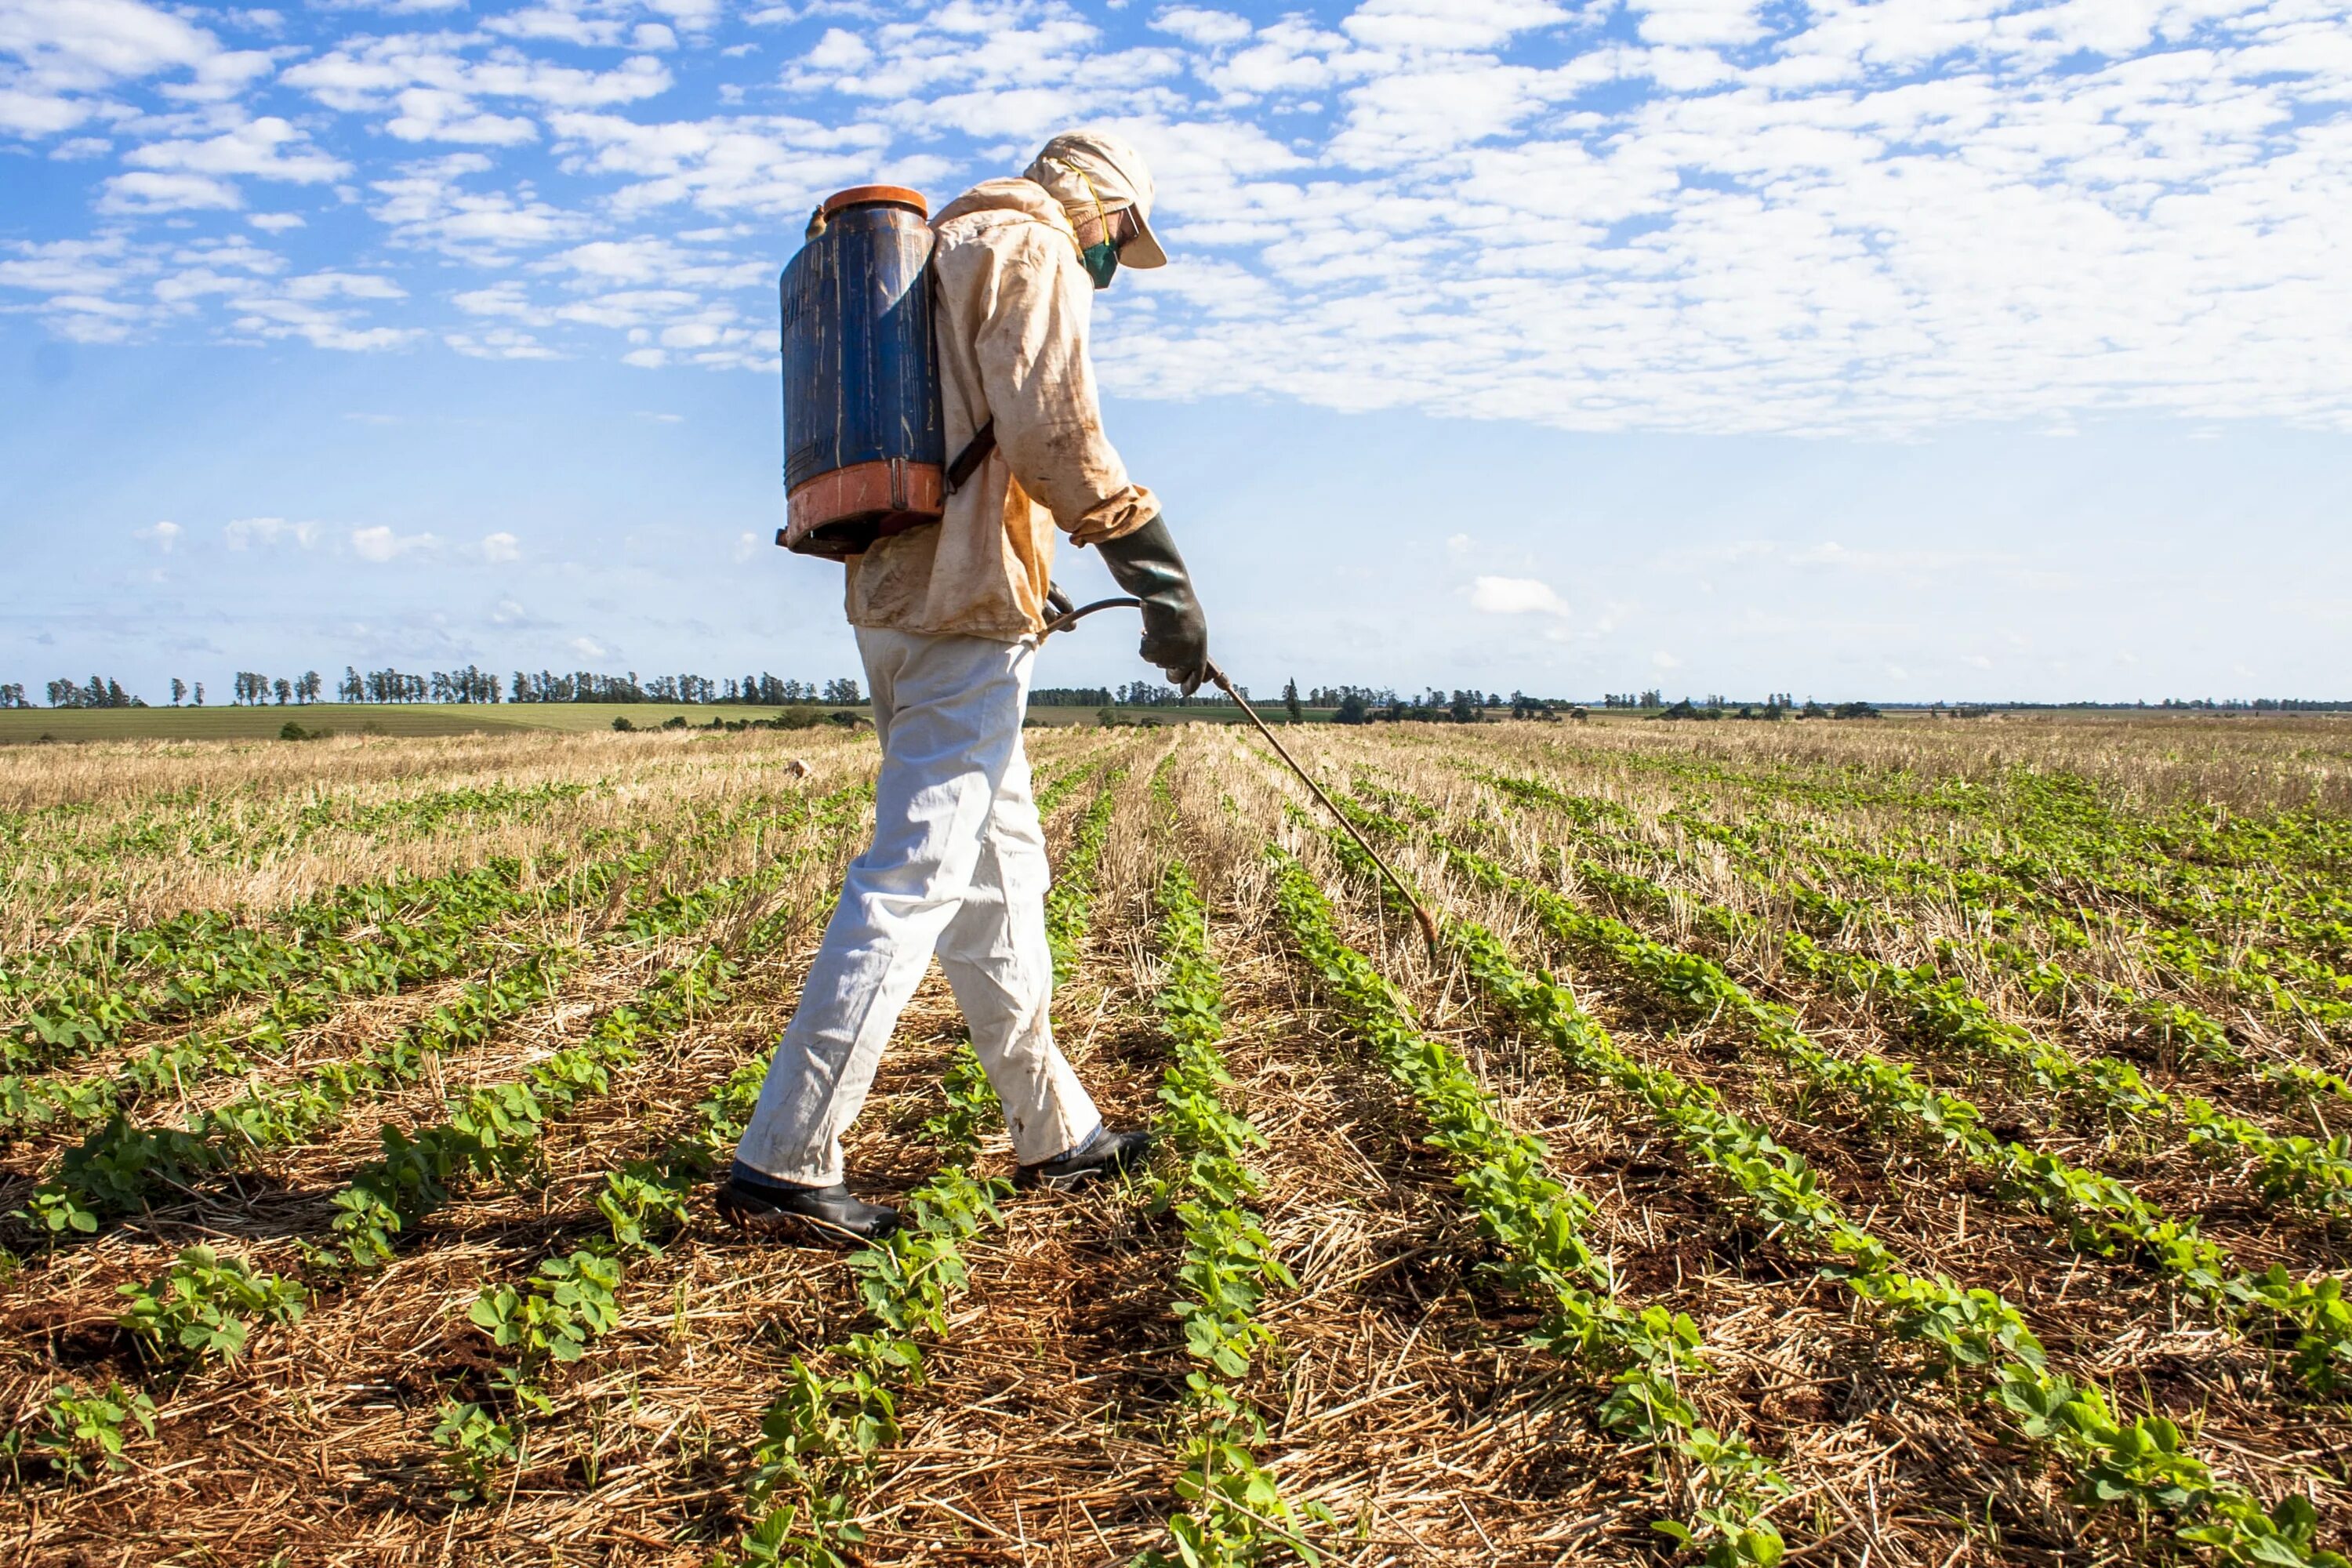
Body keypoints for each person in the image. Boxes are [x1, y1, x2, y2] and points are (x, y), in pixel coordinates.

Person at [717, 129, 1210, 1246]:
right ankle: (785, 1159)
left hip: (897, 600)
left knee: (1001, 877)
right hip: (963, 613)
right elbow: (1056, 436)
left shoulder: (939, 248)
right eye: (1119, 244)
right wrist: (1163, 580)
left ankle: (1053, 1129)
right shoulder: (1029, 251)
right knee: (914, 877)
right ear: (1099, 208)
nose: (1110, 267)